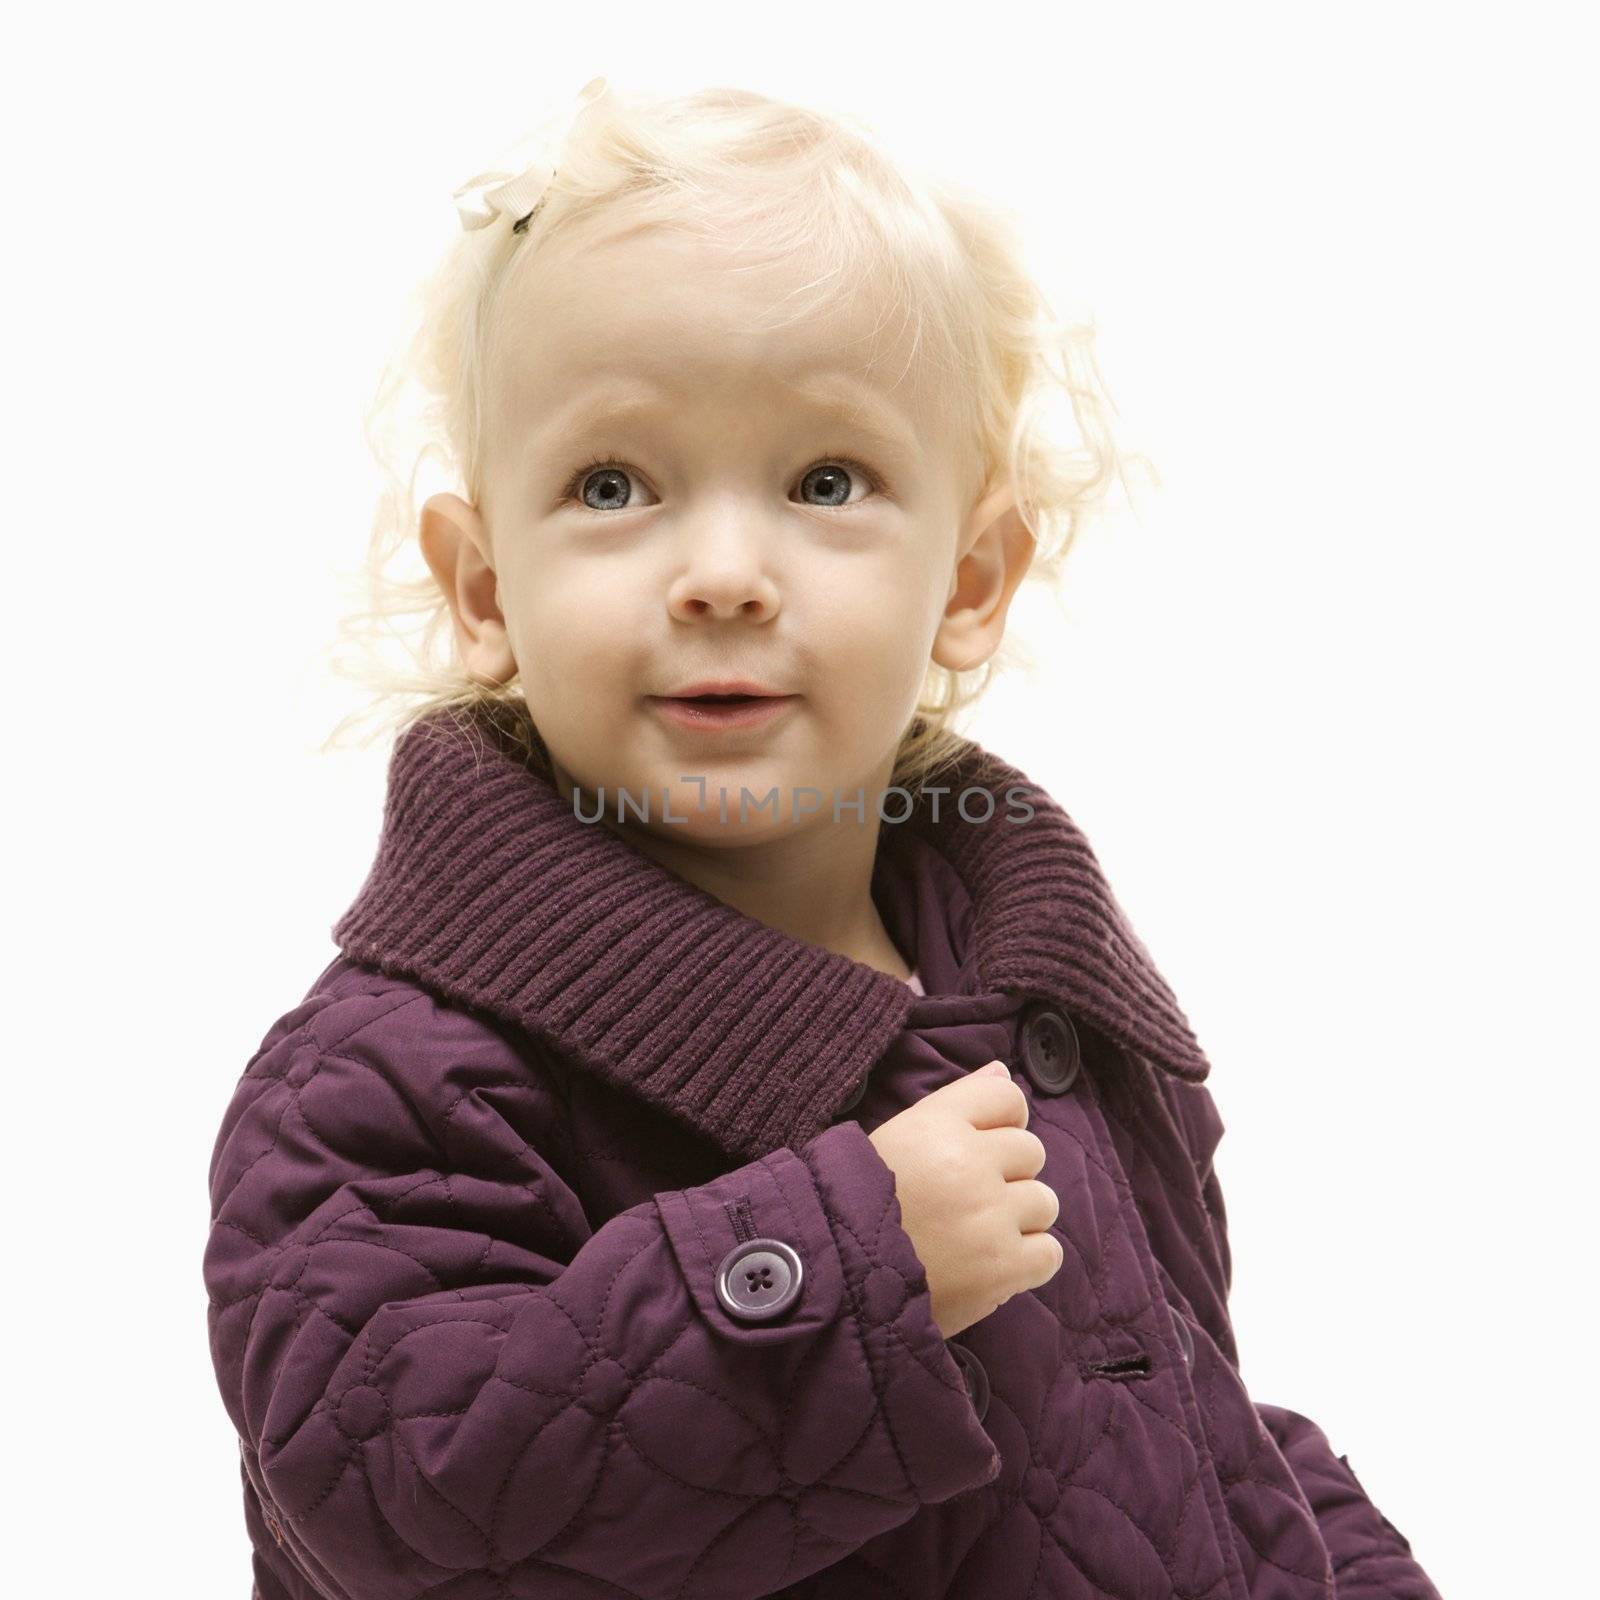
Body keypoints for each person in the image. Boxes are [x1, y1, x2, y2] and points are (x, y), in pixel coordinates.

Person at [202, 76, 1444, 1600]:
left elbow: (1167, 1425)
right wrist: (846, 1265)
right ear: (481, 588)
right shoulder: (392, 1071)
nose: (723, 571)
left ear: (973, 578)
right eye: (613, 486)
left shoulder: (1038, 990)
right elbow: (390, 1490)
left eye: (825, 482)